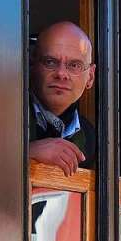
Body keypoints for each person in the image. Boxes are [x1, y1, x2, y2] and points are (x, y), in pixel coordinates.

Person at [28, 20, 97, 176]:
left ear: (90, 77)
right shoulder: (5, 116)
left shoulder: (90, 136)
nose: (61, 74)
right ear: (32, 66)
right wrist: (27, 152)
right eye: (50, 62)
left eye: (74, 65)